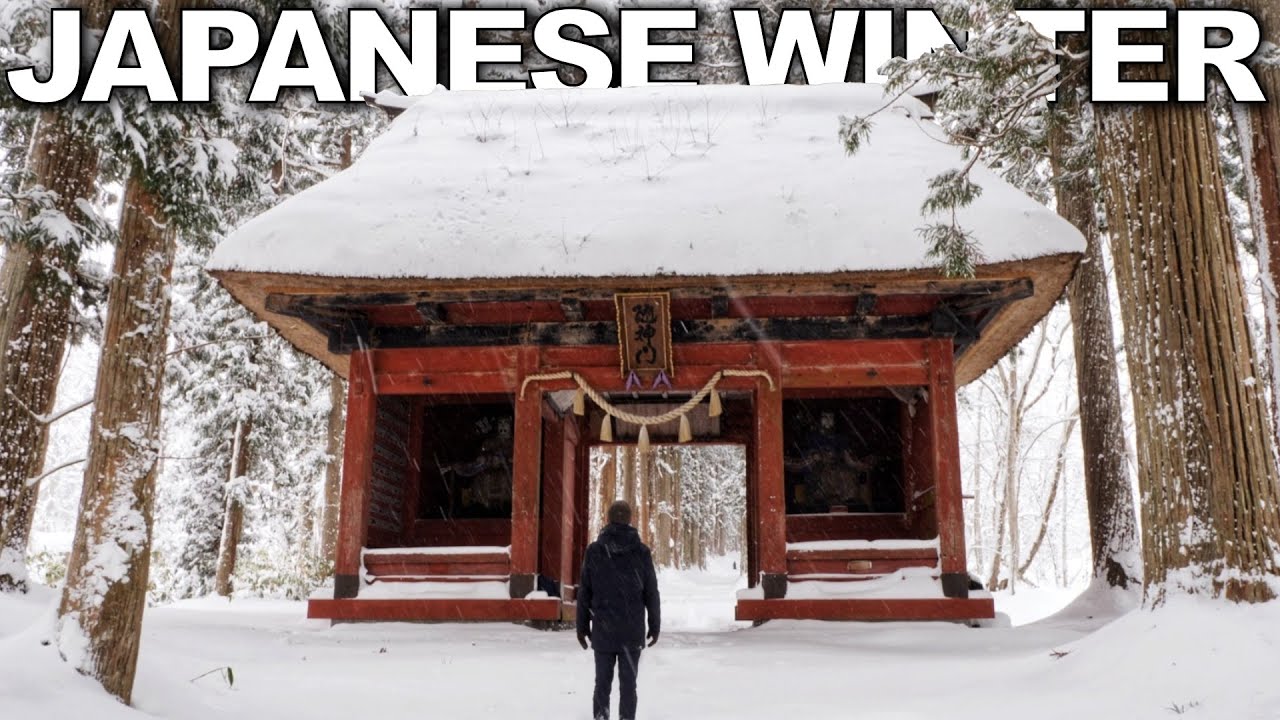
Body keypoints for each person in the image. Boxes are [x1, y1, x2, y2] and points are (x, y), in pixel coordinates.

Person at [576, 500, 660, 720]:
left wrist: (582, 627)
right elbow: (651, 592)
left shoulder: (594, 551)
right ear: (630, 520)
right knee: (629, 686)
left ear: (608, 519)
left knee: (602, 685)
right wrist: (654, 625)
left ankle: (601, 717)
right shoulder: (641, 552)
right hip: (631, 632)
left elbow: (585, 592)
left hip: (603, 629)